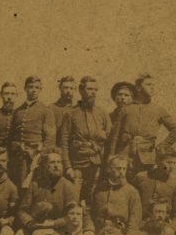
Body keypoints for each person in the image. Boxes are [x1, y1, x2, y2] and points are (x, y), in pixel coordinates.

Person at [108, 73, 176, 178]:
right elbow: (115, 136)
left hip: (147, 159)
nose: (152, 87)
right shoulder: (126, 109)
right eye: (148, 84)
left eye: (153, 85)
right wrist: (112, 156)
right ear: (138, 87)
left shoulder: (158, 110)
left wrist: (162, 146)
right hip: (125, 157)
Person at [61, 76, 111, 205]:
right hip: (76, 164)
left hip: (96, 163)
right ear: (81, 90)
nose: (93, 92)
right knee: (73, 199)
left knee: (93, 199)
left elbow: (110, 139)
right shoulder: (71, 113)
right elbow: (64, 141)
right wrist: (67, 167)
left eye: (95, 89)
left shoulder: (102, 113)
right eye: (89, 89)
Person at [92, 154, 142, 235]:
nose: (122, 172)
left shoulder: (131, 191)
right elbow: (91, 211)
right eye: (118, 168)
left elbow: (135, 219)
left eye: (124, 169)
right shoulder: (99, 188)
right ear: (109, 169)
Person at [8, 75, 56, 191]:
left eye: (37, 87)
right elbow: (11, 136)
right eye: (30, 87)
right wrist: (18, 147)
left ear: (40, 89)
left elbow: (50, 138)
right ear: (25, 88)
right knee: (18, 187)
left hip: (36, 157)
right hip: (19, 157)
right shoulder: (18, 111)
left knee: (35, 188)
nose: (33, 90)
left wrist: (40, 155)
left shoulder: (46, 111)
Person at [134, 148, 176, 234]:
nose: (172, 166)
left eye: (174, 163)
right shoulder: (141, 178)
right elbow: (133, 206)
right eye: (168, 162)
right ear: (158, 162)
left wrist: (172, 228)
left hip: (164, 227)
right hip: (142, 225)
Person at [49, 76, 77, 146]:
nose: (68, 91)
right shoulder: (51, 109)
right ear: (60, 88)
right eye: (65, 87)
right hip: (57, 149)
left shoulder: (77, 109)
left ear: (75, 90)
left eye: (71, 88)